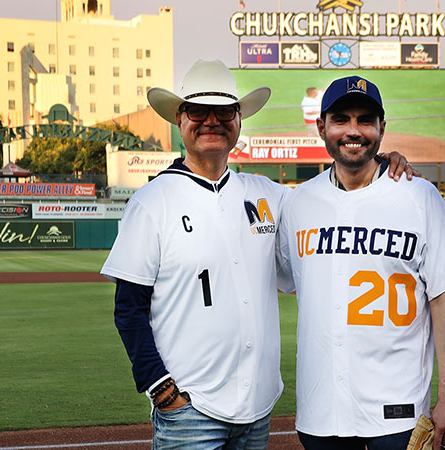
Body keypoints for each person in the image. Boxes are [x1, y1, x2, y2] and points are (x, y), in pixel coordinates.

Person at [100, 59, 415, 450]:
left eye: (225, 111)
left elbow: (335, 194)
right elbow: (128, 309)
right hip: (189, 410)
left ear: (239, 120)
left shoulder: (271, 195)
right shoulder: (151, 202)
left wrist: (381, 162)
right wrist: (160, 389)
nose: (212, 121)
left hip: (257, 409)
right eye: (199, 111)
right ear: (180, 119)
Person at [277, 75, 445, 450]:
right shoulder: (298, 204)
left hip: (398, 408)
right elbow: (280, 277)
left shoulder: (419, 196)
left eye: (365, 120)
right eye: (341, 119)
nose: (353, 130)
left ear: (382, 128)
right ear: (322, 127)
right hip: (322, 410)